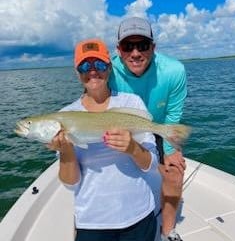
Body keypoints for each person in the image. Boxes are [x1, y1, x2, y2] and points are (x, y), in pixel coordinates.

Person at [48, 38, 160, 241]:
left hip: (139, 214)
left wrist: (133, 148)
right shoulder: (65, 114)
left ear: (109, 68)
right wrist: (66, 151)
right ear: (77, 72)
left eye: (99, 64)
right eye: (84, 66)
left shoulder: (131, 103)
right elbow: (70, 182)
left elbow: (152, 166)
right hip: (92, 221)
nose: (92, 71)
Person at [109, 17, 187, 241]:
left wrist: (172, 151)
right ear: (119, 50)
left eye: (142, 45)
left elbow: (173, 115)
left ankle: (168, 231)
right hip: (123, 127)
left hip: (159, 127)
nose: (135, 53)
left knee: (174, 172)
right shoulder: (107, 72)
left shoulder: (174, 71)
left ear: (153, 47)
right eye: (128, 46)